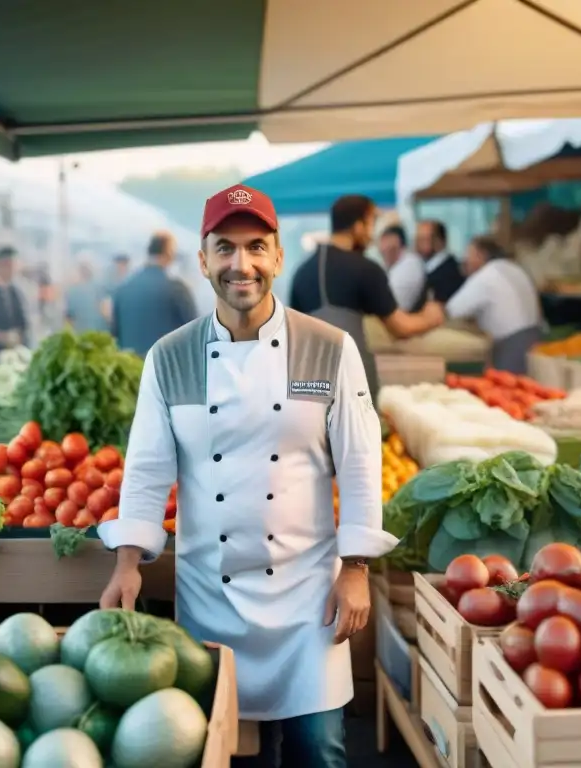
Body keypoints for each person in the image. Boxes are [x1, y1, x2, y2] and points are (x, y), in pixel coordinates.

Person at [97, 184, 397, 768]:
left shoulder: (330, 348)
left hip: (310, 596)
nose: (243, 264)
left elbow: (361, 464)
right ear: (203, 259)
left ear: (278, 257)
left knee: (320, 752)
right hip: (213, 596)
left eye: (256, 247)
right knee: (233, 753)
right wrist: (127, 563)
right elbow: (148, 468)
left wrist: (356, 568)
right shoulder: (169, 356)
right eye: (225, 248)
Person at [289, 195, 445, 401]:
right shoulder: (365, 269)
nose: (372, 236)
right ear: (358, 226)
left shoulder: (301, 272)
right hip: (354, 385)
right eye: (371, 224)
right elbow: (401, 328)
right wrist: (431, 317)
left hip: (308, 388)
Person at [421, 236, 542, 374]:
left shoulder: (487, 275)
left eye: (469, 254)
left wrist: (430, 312)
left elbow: (450, 311)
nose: (465, 261)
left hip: (511, 346)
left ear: (481, 255)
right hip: (536, 338)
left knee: (505, 388)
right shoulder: (514, 268)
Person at [111, 232, 198, 355]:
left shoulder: (123, 288)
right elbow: (196, 334)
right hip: (164, 369)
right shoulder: (176, 289)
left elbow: (115, 335)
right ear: (169, 252)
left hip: (129, 369)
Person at [412, 219, 465, 307]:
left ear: (440, 241)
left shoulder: (449, 274)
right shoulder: (428, 268)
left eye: (423, 239)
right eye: (417, 239)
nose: (417, 245)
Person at [378, 224, 425, 311]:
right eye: (382, 244)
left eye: (389, 246)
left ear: (401, 246)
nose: (384, 249)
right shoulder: (388, 264)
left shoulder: (411, 264)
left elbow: (392, 303)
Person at [65, 259, 111, 333]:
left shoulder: (73, 291)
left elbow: (69, 319)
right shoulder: (101, 288)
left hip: (83, 335)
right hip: (99, 335)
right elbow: (107, 313)